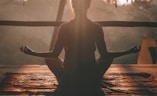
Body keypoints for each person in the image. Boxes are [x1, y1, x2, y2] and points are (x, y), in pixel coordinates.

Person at [20, 0, 140, 96]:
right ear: (88, 5)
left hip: (69, 77)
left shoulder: (64, 27)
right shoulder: (96, 27)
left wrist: (33, 53)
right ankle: (93, 80)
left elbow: (54, 54)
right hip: (90, 77)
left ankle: (64, 82)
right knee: (107, 58)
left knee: (50, 59)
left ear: (72, 5)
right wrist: (128, 51)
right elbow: (105, 54)